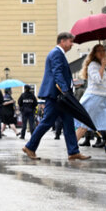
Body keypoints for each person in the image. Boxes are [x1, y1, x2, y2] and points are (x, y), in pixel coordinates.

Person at [22, 33, 89, 162]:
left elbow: (59, 73)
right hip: (56, 95)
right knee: (47, 121)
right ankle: (29, 147)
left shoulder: (58, 53)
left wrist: (69, 84)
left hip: (58, 94)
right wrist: (65, 90)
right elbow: (57, 72)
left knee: (68, 123)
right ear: (62, 41)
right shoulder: (56, 53)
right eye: (70, 41)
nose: (72, 44)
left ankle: (73, 151)